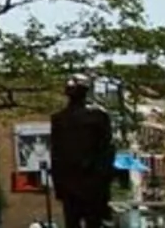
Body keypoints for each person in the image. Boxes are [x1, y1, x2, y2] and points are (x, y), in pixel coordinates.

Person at [48, 80, 116, 228]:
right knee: (87, 221)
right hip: (84, 181)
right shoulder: (96, 115)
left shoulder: (95, 115)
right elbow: (56, 152)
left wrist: (58, 184)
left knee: (80, 221)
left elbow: (106, 149)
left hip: (82, 180)